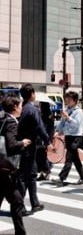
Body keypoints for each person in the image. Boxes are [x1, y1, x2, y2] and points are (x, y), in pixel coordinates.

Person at [18, 84, 53, 213]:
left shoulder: (21, 108)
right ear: (32, 93)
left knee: (32, 174)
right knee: (23, 176)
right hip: (29, 146)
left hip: (22, 145)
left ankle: (35, 203)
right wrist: (48, 142)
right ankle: (19, 206)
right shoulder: (33, 110)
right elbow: (40, 127)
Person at [0, 96, 31, 232]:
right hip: (5, 169)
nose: (21, 108)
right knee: (17, 202)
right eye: (20, 106)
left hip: (1, 167)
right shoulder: (11, 123)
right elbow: (11, 146)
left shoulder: (2, 119)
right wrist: (23, 143)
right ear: (14, 107)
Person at [52, 91, 83, 187]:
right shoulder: (67, 109)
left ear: (75, 101)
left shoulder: (78, 111)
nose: (67, 101)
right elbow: (62, 122)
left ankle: (62, 178)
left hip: (76, 137)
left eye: (69, 99)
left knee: (69, 158)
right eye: (67, 99)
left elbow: (76, 124)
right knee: (75, 158)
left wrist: (68, 117)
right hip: (69, 136)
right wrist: (57, 131)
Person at [36, 102, 54, 181]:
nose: (39, 106)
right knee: (41, 155)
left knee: (41, 155)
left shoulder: (44, 115)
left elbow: (43, 128)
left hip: (43, 138)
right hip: (46, 137)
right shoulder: (49, 115)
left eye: (40, 104)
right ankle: (43, 172)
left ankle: (47, 170)